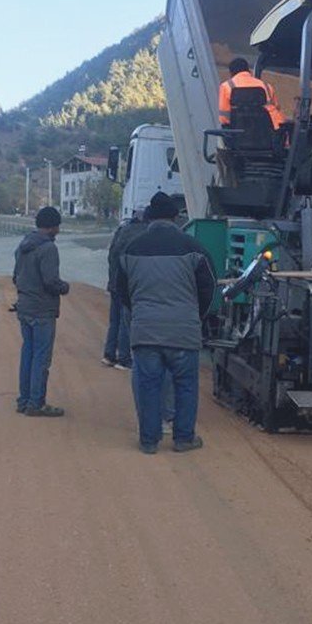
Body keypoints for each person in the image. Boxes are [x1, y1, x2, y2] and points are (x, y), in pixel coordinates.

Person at [117, 191, 215, 454]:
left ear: (149, 219)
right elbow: (209, 288)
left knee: (148, 385)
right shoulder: (193, 248)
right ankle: (183, 438)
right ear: (176, 217)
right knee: (185, 385)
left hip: (145, 330)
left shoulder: (132, 249)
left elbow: (121, 292)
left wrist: (139, 312)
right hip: (183, 331)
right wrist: (197, 317)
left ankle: (149, 441)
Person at [14, 206, 70, 417]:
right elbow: (51, 281)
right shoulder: (48, 249)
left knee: (27, 353)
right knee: (41, 357)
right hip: (42, 309)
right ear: (53, 226)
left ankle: (24, 399)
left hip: (25, 306)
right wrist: (64, 287)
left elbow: (15, 275)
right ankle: (36, 403)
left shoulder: (23, 245)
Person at [102, 207, 148, 370]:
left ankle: (109, 355)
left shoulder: (122, 230)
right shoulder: (143, 233)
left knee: (114, 320)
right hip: (128, 284)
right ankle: (124, 358)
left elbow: (111, 256)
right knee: (125, 320)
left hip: (114, 281)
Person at [218, 57, 284, 130]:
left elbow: (224, 117)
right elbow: (277, 109)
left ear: (231, 72)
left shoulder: (226, 86)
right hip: (270, 132)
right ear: (248, 70)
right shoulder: (266, 86)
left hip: (240, 134)